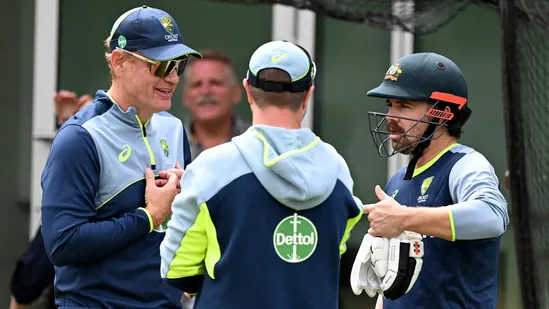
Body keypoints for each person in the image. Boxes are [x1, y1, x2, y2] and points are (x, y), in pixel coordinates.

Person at [159, 40, 363, 309]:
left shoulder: (211, 168)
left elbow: (176, 268)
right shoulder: (338, 170)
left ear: (246, 90)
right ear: (308, 94)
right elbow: (330, 255)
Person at [40, 5, 201, 309]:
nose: (173, 77)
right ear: (119, 62)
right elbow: (63, 244)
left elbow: (183, 225)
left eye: (178, 64)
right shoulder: (80, 137)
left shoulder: (174, 128)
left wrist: (186, 199)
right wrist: (147, 216)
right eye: (160, 65)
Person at [362, 52, 509, 308]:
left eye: (404, 106)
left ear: (442, 113)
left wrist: (403, 219)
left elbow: (492, 215)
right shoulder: (397, 181)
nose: (390, 116)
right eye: (389, 104)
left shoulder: (465, 165)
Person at [182, 49, 250, 160]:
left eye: (215, 83)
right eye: (197, 84)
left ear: (236, 93)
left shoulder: (257, 144)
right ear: (185, 97)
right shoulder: (169, 147)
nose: (205, 91)